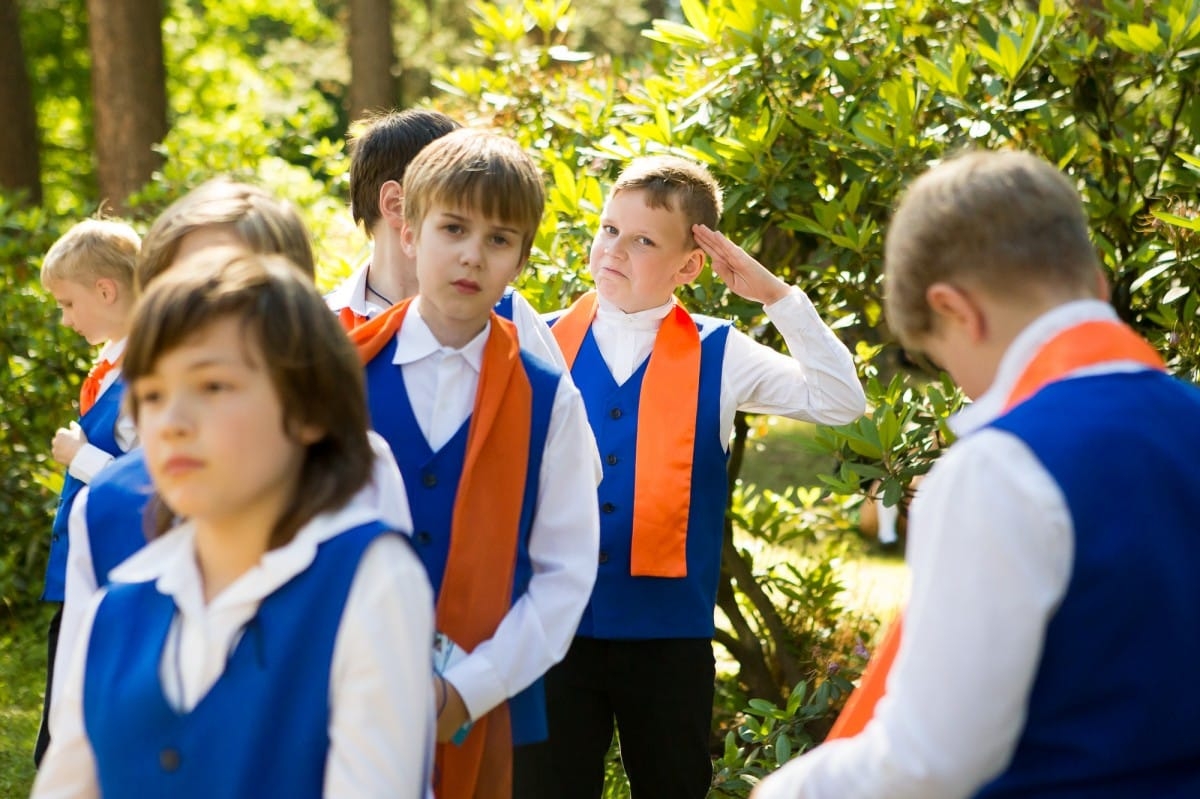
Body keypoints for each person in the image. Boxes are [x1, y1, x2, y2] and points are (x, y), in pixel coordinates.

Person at [753, 149, 1200, 798]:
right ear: (1095, 283)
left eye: (944, 356)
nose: (964, 386)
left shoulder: (1000, 467)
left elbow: (928, 760)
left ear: (957, 309)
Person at [32, 252, 435, 799]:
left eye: (213, 387)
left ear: (310, 411)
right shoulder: (115, 608)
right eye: (151, 395)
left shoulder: (369, 581)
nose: (171, 423)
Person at [536, 154, 866, 799]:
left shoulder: (722, 350)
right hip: (554, 626)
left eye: (643, 241)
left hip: (667, 638)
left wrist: (774, 296)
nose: (615, 250)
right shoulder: (538, 340)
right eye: (609, 230)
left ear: (689, 266)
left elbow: (840, 403)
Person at [348, 128, 601, 799]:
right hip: (338, 694)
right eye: (453, 228)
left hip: (488, 706)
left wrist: (466, 689)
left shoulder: (549, 398)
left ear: (520, 260)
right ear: (408, 232)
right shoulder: (339, 373)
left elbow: (565, 572)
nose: (472, 255)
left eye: (499, 239)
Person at [328, 108, 566, 368]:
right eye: (454, 225)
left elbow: (557, 404)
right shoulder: (320, 327)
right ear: (396, 204)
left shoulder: (510, 312)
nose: (473, 255)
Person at [35, 218, 141, 765]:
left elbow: (153, 480)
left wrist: (83, 459)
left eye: (69, 304)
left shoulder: (148, 373)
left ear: (106, 290)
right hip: (85, 571)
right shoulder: (110, 366)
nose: (65, 318)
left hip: (119, 572)